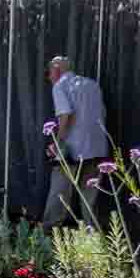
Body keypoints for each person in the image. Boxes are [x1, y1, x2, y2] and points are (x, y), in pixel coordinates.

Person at [42, 56, 109, 229]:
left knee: (60, 190)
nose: (48, 77)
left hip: (73, 149)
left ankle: (49, 230)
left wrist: (57, 142)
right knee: (90, 194)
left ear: (56, 70)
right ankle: (92, 234)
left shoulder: (60, 85)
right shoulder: (92, 84)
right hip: (97, 147)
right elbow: (102, 113)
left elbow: (66, 115)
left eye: (49, 73)